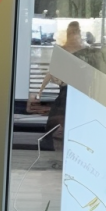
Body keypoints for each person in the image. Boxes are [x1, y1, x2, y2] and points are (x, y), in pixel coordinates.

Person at [38, 21, 88, 151]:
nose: (73, 35)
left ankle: (52, 138)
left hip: (79, 89)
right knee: (60, 106)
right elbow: (51, 71)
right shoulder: (62, 50)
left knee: (61, 107)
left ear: (79, 33)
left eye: (75, 32)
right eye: (71, 33)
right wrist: (40, 91)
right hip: (68, 88)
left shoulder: (85, 50)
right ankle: (52, 138)